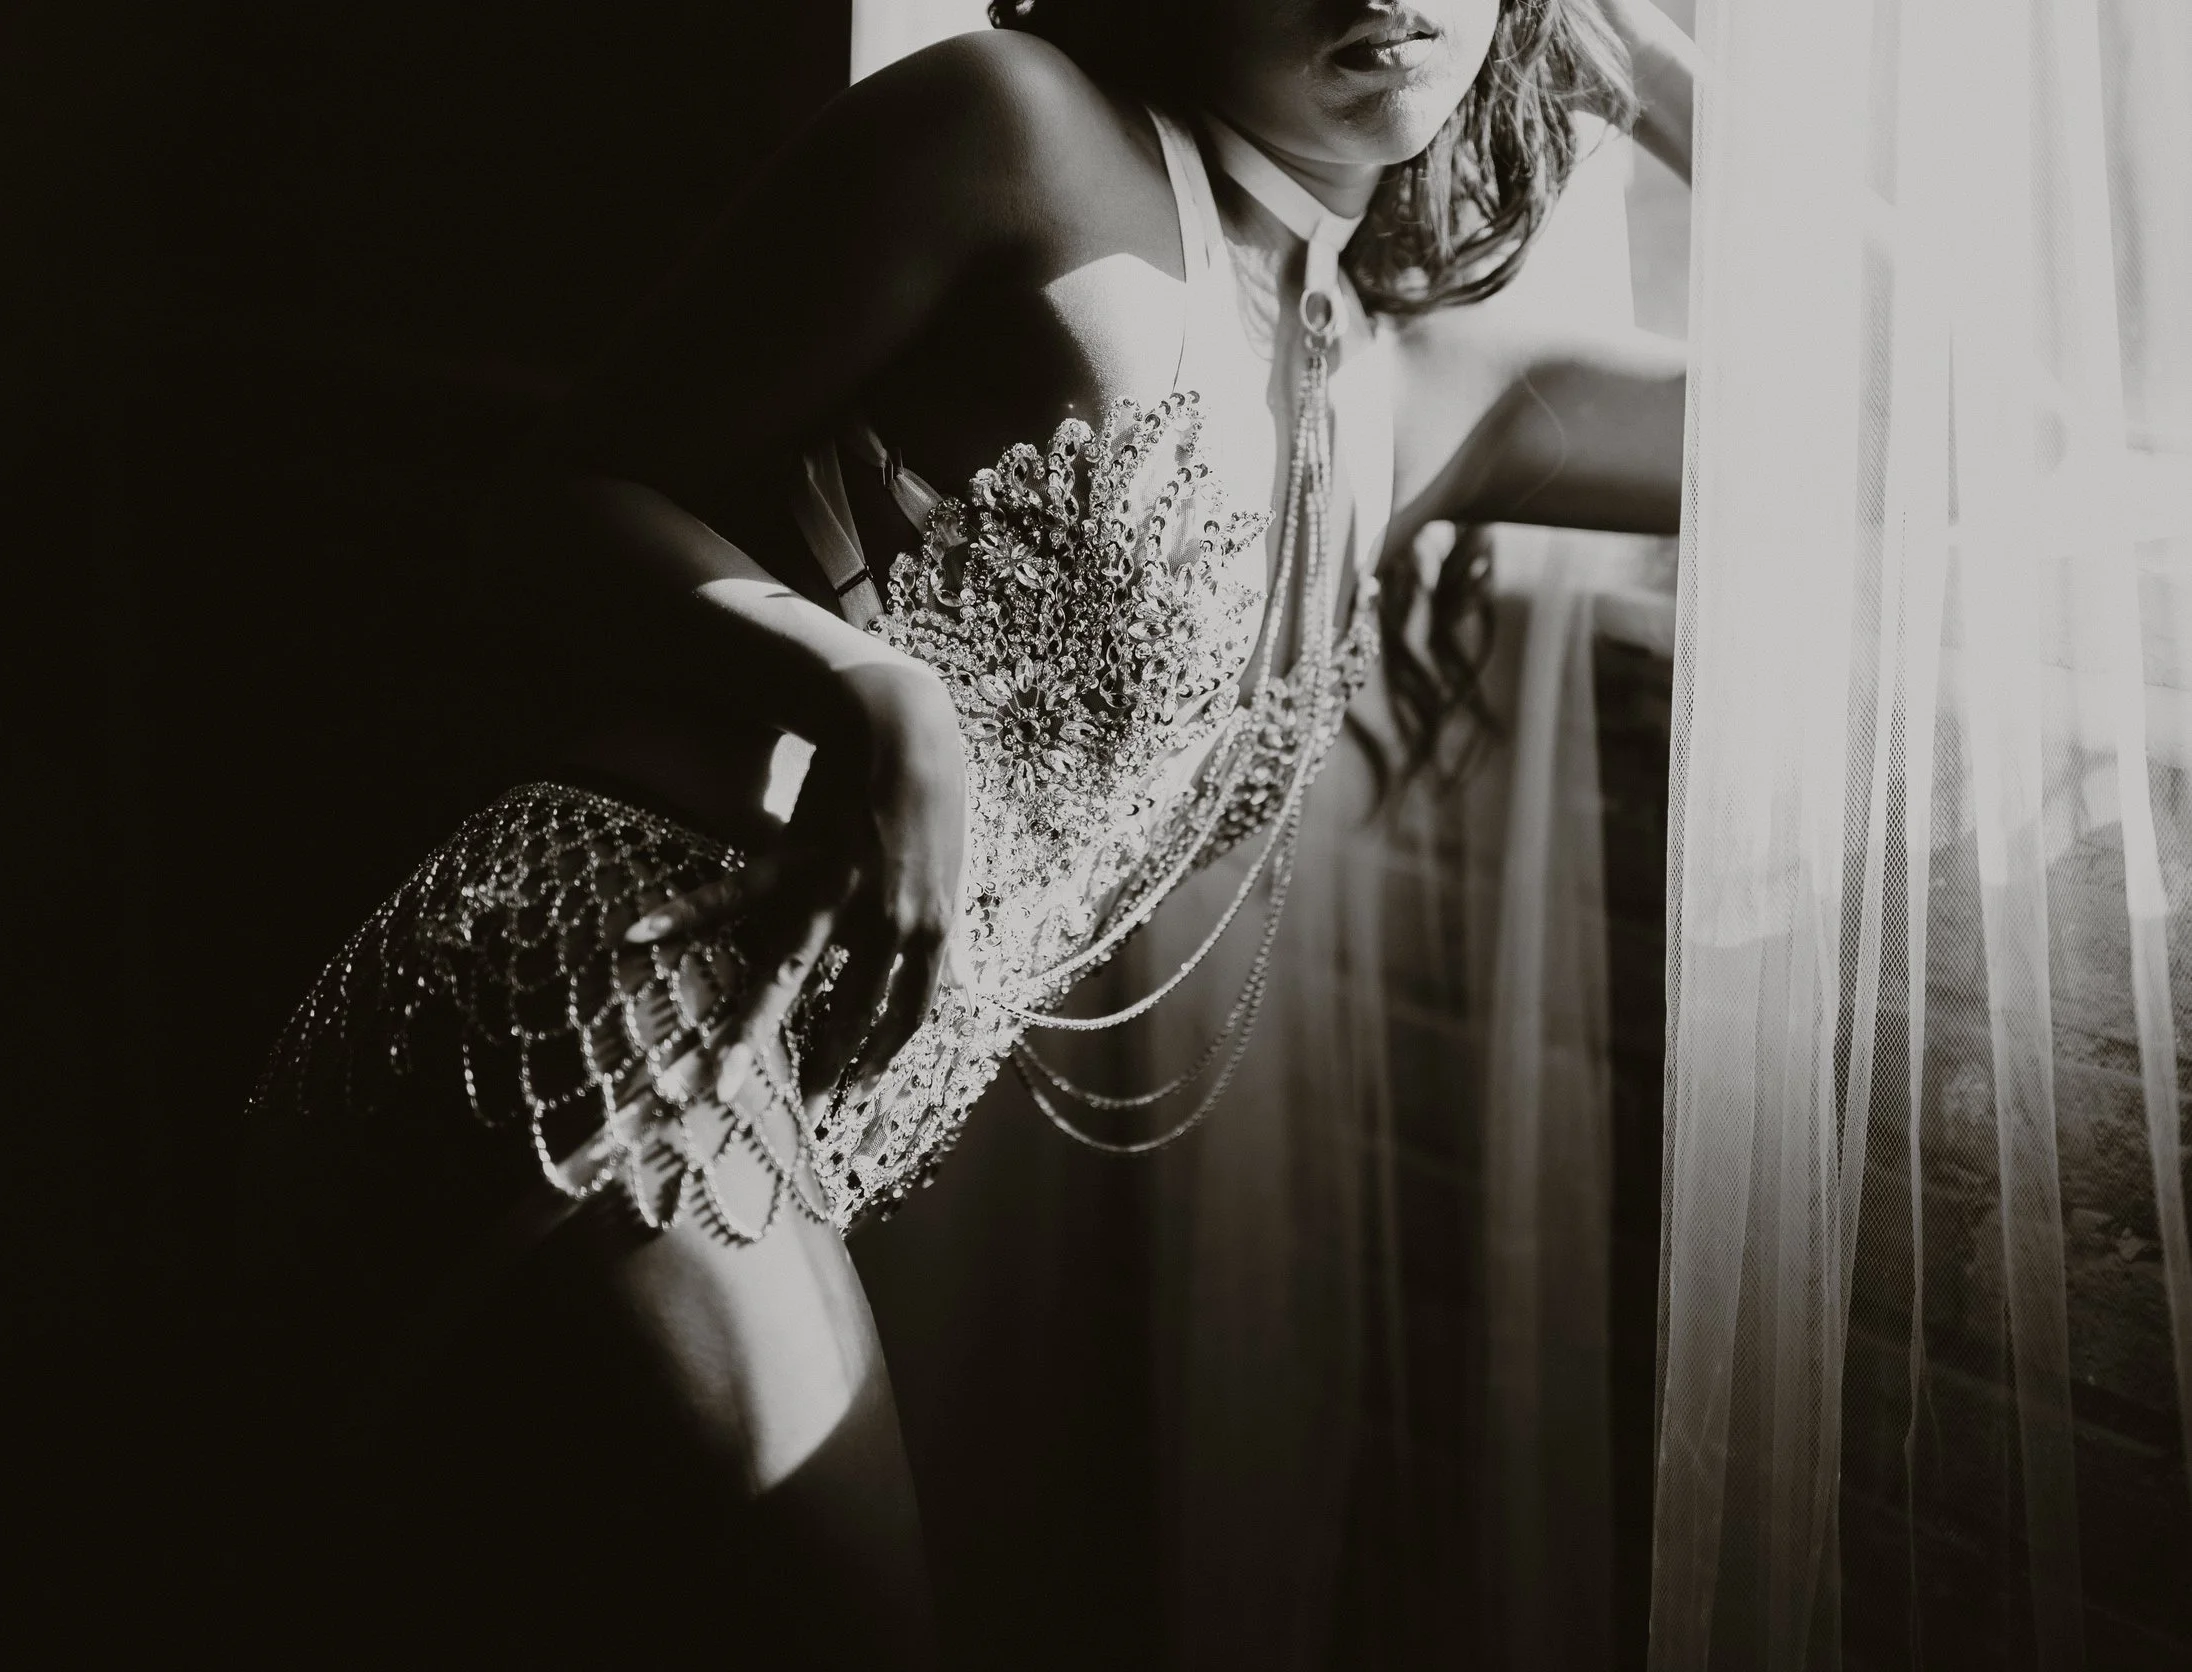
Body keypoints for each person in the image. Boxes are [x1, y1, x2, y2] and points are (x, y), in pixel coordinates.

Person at [233, 1, 1694, 1662]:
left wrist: (1615, 46)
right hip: (603, 982)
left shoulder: (1429, 398)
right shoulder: (1020, 132)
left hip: (788, 1131)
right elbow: (549, 508)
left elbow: (1955, 444)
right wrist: (866, 690)